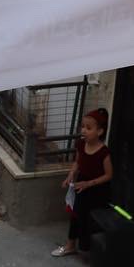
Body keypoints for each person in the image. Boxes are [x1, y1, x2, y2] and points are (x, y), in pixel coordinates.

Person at [52, 108, 114, 257]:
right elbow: (78, 162)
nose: (84, 131)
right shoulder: (81, 144)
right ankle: (70, 245)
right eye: (83, 126)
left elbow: (109, 175)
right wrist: (71, 174)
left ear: (99, 132)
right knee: (75, 215)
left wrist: (89, 183)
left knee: (90, 220)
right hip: (80, 185)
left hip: (97, 190)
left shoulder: (104, 152)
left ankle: (94, 252)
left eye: (88, 128)